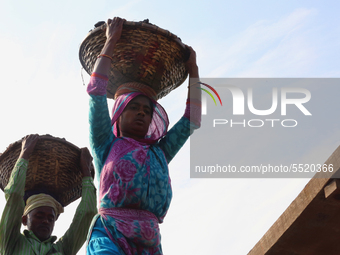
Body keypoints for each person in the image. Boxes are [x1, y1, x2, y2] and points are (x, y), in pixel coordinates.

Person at [86, 17, 201, 254]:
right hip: (110, 235)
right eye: (134, 108)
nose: (141, 113)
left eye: (147, 111)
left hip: (148, 242)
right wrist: (111, 40)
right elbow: (96, 92)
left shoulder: (159, 152)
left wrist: (194, 70)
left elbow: (192, 120)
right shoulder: (105, 143)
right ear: (119, 111)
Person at [0, 134, 97, 255]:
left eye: (51, 218)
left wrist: (86, 172)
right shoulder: (11, 242)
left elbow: (87, 215)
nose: (46, 221)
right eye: (39, 216)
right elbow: (14, 197)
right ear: (24, 219)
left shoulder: (63, 249)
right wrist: (24, 154)